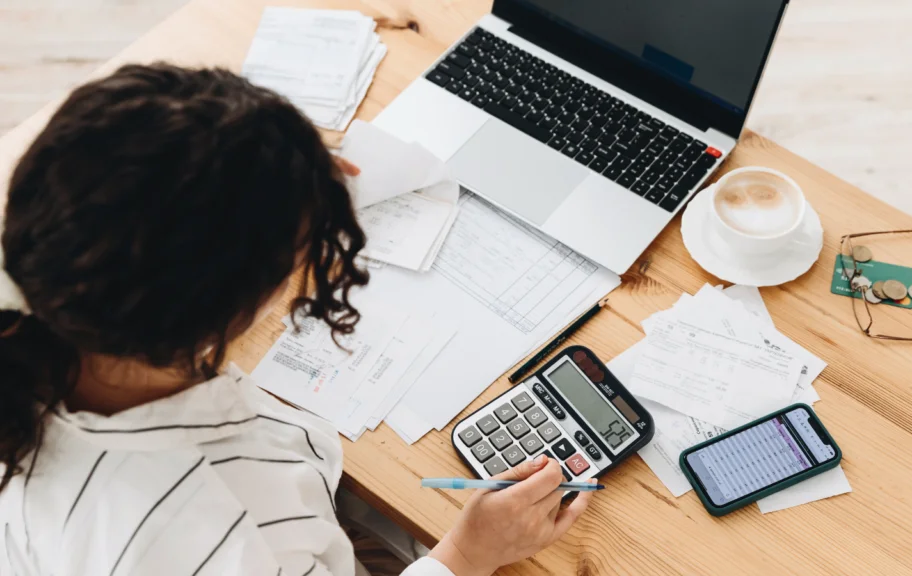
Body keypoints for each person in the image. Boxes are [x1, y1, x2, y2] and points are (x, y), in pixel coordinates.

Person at [0, 64, 593, 576]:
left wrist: (281, 174)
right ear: (231, 308)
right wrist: (466, 554)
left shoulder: (43, 307)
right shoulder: (217, 532)